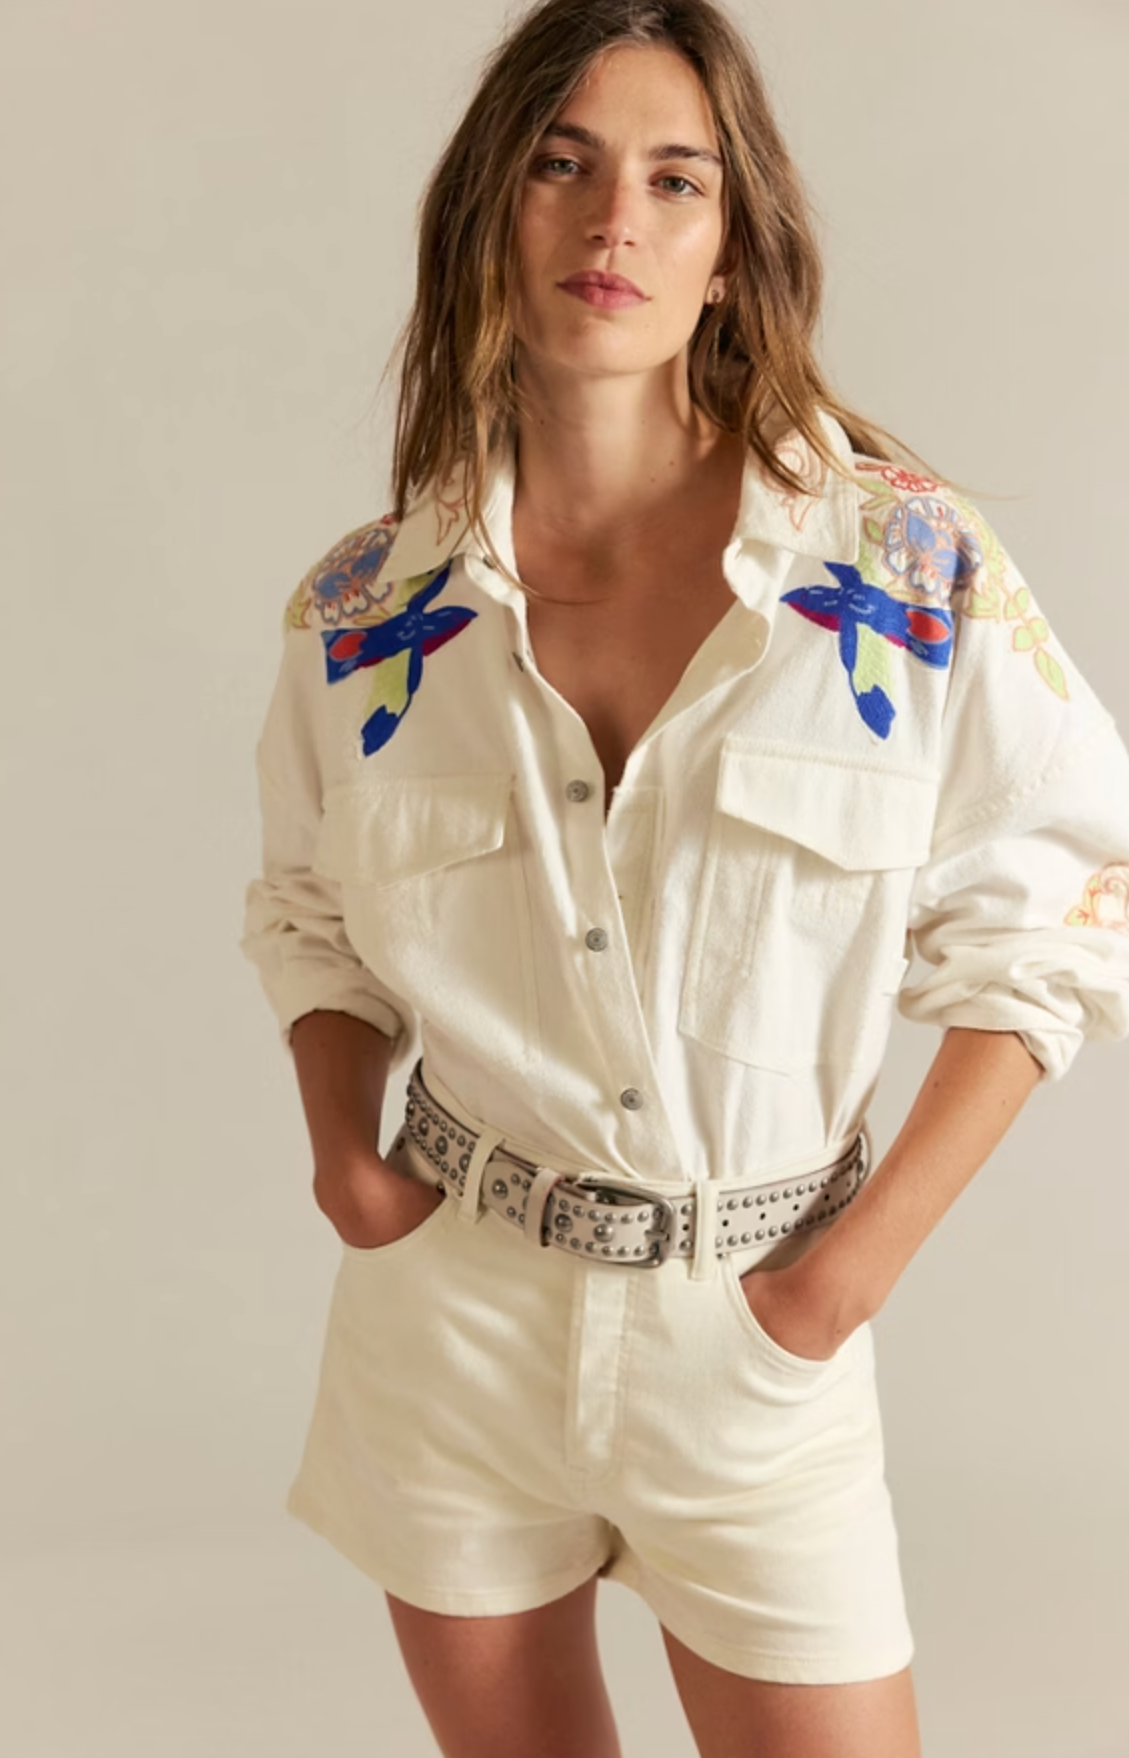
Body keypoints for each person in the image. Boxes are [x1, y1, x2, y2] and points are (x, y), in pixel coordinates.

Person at [239, 2, 1129, 1754]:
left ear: (733, 248)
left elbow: (1067, 906)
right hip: (455, 1329)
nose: (613, 221)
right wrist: (345, 1151)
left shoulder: (901, 567)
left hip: (759, 1339)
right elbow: (307, 909)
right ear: (490, 210)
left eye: (674, 179)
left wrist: (842, 1279)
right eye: (561, 164)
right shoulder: (369, 611)